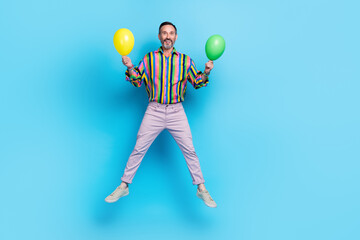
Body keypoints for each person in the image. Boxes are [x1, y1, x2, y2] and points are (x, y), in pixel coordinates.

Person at [105, 21, 217, 208]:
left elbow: (197, 82)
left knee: (190, 150)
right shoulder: (150, 59)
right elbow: (137, 81)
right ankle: (124, 186)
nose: (167, 36)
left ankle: (201, 189)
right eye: (164, 33)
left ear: (176, 37)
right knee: (139, 148)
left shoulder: (185, 60)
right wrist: (131, 67)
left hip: (176, 111)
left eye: (171, 33)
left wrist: (206, 72)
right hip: (154, 110)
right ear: (159, 36)